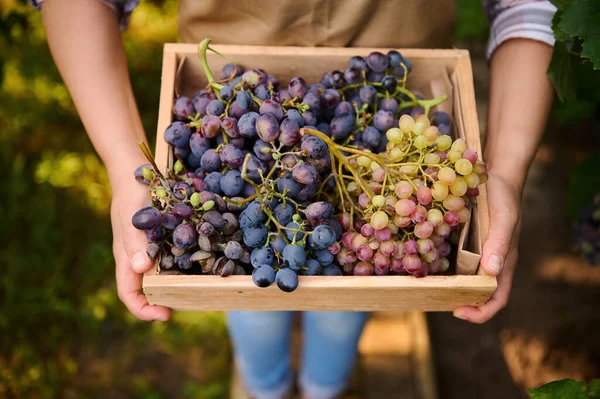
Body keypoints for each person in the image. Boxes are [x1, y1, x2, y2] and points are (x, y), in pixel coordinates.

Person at [34, 0, 557, 397]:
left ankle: (322, 386)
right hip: (237, 74)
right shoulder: (253, 139)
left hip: (373, 111)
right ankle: (267, 385)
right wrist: (127, 169)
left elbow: (528, 7)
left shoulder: (344, 182)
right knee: (251, 296)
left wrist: (505, 174)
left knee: (348, 300)